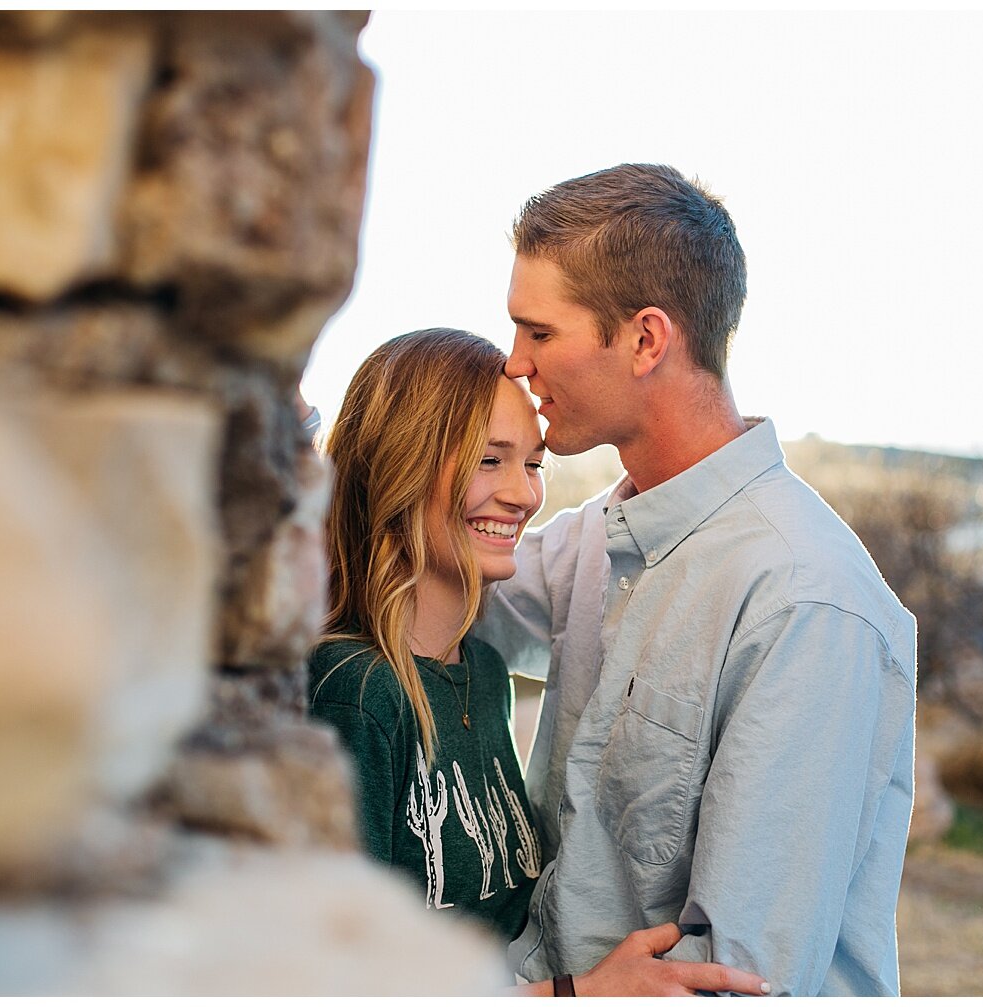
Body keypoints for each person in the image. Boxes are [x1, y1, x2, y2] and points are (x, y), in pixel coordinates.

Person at [477, 164, 918, 996]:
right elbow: (440, 596)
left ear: (646, 339)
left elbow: (733, 978)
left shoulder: (804, 600)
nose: (514, 365)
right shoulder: (594, 543)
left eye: (538, 333)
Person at [306, 327, 770, 996]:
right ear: (399, 463)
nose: (523, 495)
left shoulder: (484, 673)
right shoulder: (356, 696)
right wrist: (574, 994)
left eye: (532, 464)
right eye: (490, 460)